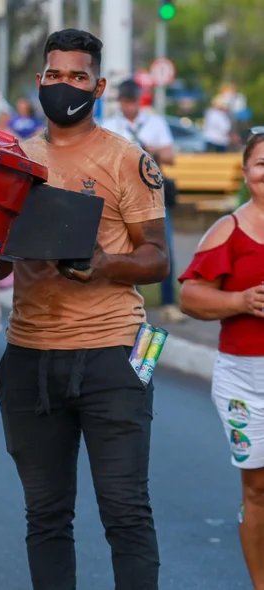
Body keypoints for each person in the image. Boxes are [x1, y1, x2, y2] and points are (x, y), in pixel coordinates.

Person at [0, 30, 171, 589]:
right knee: (45, 516)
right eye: (53, 75)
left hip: (112, 357)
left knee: (125, 511)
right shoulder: (15, 160)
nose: (62, 85)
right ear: (39, 79)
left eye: (76, 76)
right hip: (29, 359)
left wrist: (104, 265)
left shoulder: (127, 159)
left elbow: (160, 259)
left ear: (98, 85)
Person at [176, 129, 264, 587]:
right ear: (247, 172)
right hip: (245, 379)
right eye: (262, 163)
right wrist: (241, 302)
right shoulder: (227, 230)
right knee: (257, 489)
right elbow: (190, 297)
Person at [102, 79, 184, 323]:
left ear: (139, 101)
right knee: (125, 248)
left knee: (163, 245)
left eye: (132, 102)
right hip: (122, 193)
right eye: (125, 102)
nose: (129, 107)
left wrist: (150, 150)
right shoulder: (110, 125)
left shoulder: (154, 122)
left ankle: (169, 302)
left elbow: (170, 156)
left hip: (152, 193)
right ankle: (130, 304)